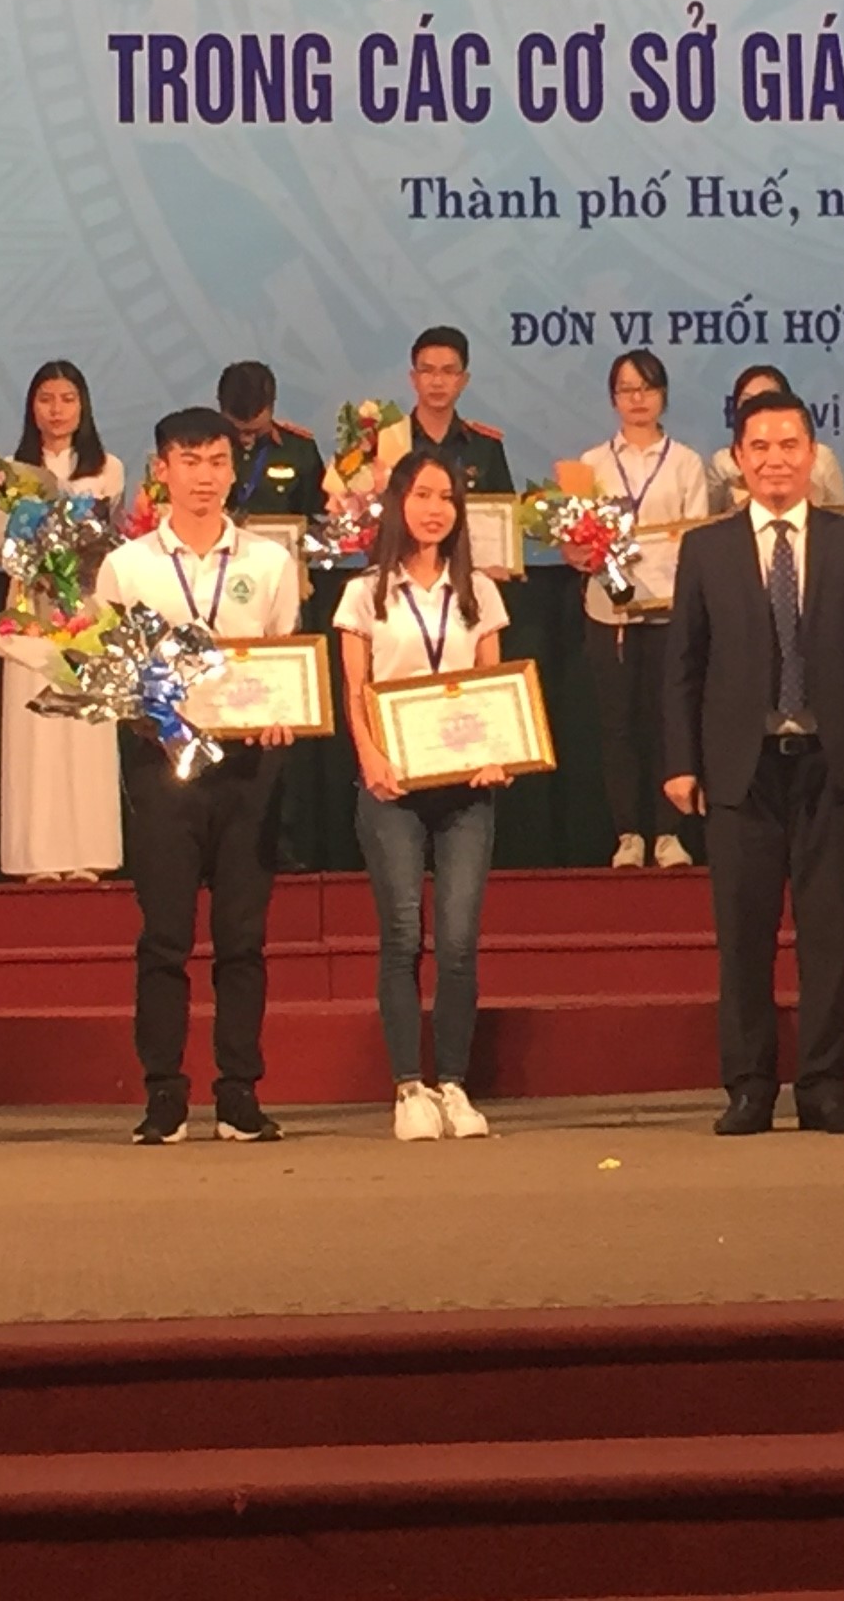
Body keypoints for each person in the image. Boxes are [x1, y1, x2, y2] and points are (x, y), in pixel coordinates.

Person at [663, 389, 844, 1136]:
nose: (776, 460)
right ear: (738, 459)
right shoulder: (706, 549)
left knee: (830, 938)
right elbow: (683, 667)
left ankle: (825, 1088)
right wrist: (681, 762)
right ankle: (748, 1088)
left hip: (834, 765)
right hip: (740, 770)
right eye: (761, 447)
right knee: (743, 938)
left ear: (812, 455)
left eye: (789, 446)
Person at [95, 406, 304, 1145]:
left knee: (242, 936)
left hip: (249, 765)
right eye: (189, 462)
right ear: (162, 471)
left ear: (232, 468)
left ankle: (239, 1091)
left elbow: (285, 658)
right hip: (162, 768)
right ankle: (164, 1093)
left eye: (217, 461)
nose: (204, 477)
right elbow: (111, 674)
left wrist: (282, 712)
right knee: (165, 936)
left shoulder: (269, 563)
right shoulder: (128, 567)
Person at [333, 450, 510, 1141]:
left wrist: (496, 752)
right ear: (398, 502)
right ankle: (409, 1087)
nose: (436, 509)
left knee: (459, 941)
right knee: (404, 935)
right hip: (393, 786)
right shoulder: (365, 592)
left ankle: (455, 1085)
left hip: (466, 788)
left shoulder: (480, 591)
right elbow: (356, 690)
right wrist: (371, 756)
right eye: (423, 495)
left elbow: (495, 689)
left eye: (447, 498)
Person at [570, 350, 717, 869]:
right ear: (613, 398)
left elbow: (697, 537)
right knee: (618, 725)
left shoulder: (685, 462)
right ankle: (628, 833)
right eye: (627, 389)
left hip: (671, 609)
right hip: (609, 609)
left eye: (647, 388)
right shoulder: (591, 464)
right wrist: (576, 551)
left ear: (663, 395)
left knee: (669, 721)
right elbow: (577, 535)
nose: (637, 399)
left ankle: (670, 832)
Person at [0, 359, 129, 882]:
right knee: (36, 730)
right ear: (32, 406)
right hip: (31, 605)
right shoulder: (8, 470)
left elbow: (112, 537)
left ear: (83, 405)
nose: (57, 409)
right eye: (46, 399)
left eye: (68, 399)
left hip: (88, 608)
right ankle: (37, 857)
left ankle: (90, 851)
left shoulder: (107, 468)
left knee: (85, 728)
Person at [378, 326, 514, 501]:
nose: (437, 382)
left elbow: (504, 511)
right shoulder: (388, 440)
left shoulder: (486, 447)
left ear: (463, 380)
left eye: (448, 371)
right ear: (414, 378)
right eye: (427, 371)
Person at [702, 363, 844, 511]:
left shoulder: (822, 458)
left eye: (769, 398)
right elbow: (712, 519)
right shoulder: (723, 464)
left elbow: (841, 515)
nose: (759, 408)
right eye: (747, 401)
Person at [219, 361, 325, 515]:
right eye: (235, 430)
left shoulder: (300, 450)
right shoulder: (199, 449)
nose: (245, 439)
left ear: (272, 405)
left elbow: (315, 515)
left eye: (255, 431)